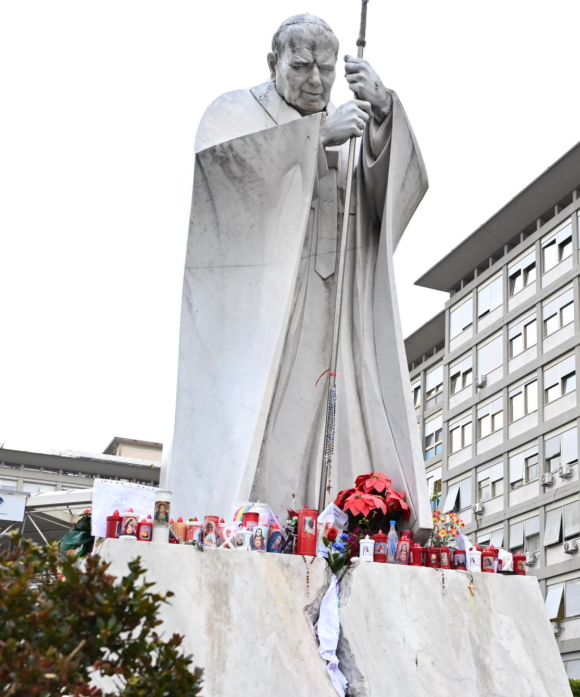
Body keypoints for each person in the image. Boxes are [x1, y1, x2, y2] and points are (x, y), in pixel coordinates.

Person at [167, 13, 429, 525]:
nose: (314, 80)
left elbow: (394, 196)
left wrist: (382, 115)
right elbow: (222, 189)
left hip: (340, 310)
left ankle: (340, 523)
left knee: (342, 420)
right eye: (301, 66)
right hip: (269, 310)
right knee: (269, 425)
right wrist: (312, 138)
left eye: (326, 70)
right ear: (274, 63)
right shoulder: (236, 113)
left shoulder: (349, 122)